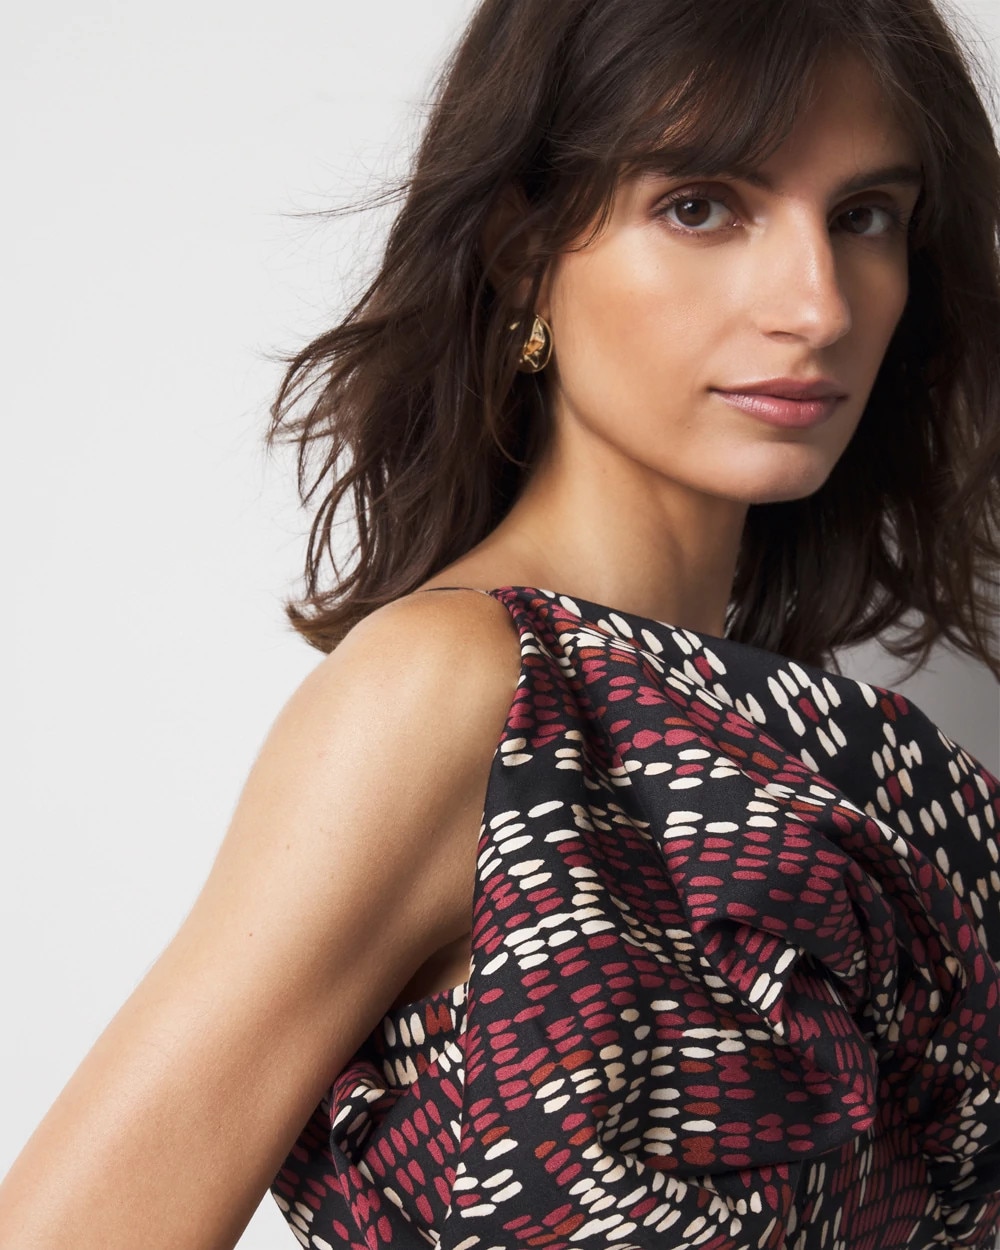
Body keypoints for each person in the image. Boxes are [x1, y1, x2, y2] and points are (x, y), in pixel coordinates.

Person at [3, 0, 1000, 1246]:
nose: (818, 305)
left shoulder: (818, 754)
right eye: (700, 206)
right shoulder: (463, 692)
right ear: (525, 251)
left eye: (863, 216)